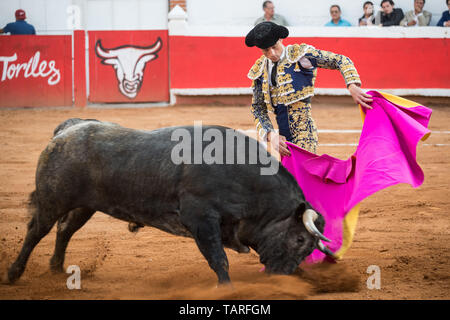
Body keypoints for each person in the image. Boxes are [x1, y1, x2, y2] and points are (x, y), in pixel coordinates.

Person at [245, 22, 372, 156]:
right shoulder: (260, 69)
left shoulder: (300, 55)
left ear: (280, 40)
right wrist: (271, 135)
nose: (272, 53)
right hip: (282, 138)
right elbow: (258, 108)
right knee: (290, 176)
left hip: (305, 133)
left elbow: (340, 60)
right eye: (266, 50)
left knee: (303, 172)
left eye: (274, 47)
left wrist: (352, 85)